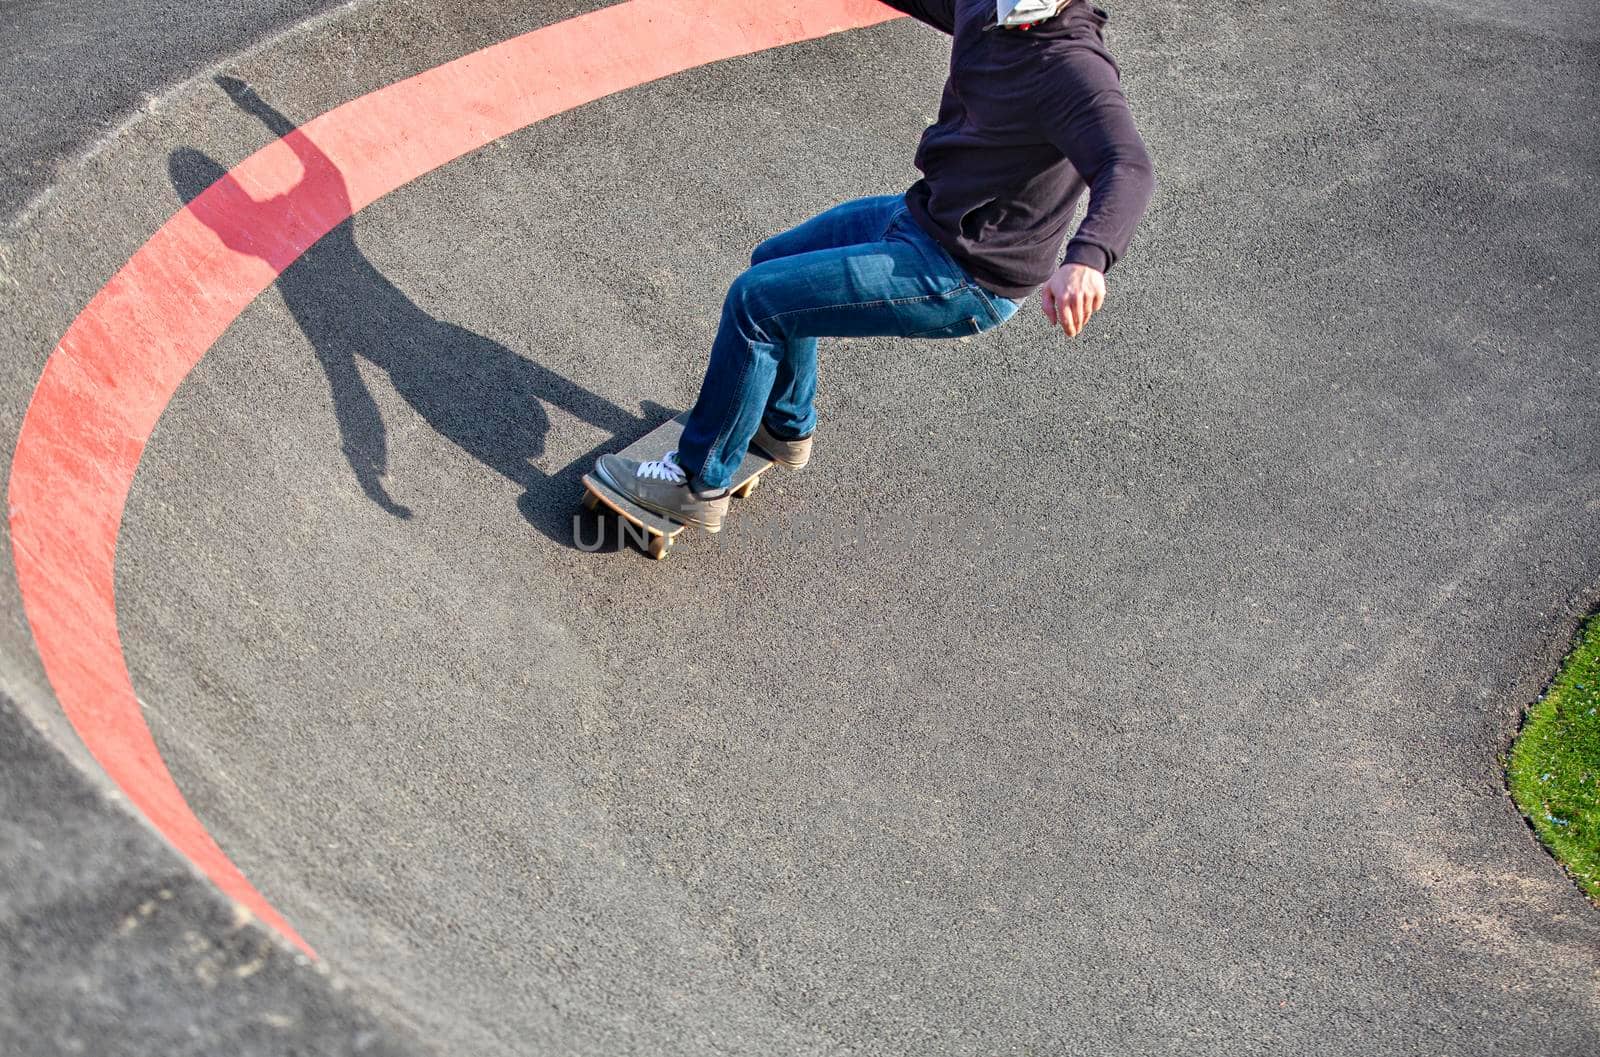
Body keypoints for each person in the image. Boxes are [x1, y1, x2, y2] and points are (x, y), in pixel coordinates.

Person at [594, 0, 1155, 531]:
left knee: (757, 302)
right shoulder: (988, 5)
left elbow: (1126, 165)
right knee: (774, 263)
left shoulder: (1072, 67)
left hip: (966, 275)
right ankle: (784, 425)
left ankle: (696, 483)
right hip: (921, 216)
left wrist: (1088, 260)